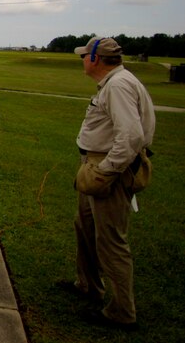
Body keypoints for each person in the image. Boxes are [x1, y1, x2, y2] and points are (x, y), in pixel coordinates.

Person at [61, 36, 155, 330]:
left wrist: (107, 170)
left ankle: (121, 311)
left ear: (95, 59)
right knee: (85, 226)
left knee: (111, 241)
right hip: (95, 164)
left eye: (83, 56)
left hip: (107, 170)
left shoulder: (118, 85)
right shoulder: (115, 82)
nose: (82, 61)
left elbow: (131, 136)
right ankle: (88, 284)